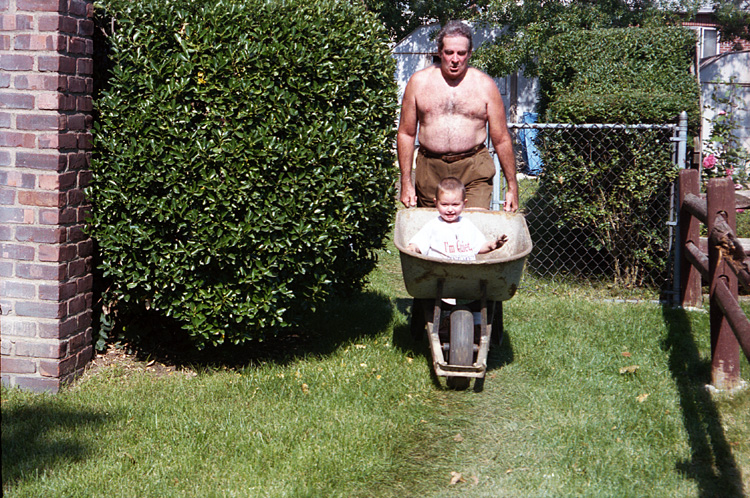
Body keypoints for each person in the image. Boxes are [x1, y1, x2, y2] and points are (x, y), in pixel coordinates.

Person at [397, 20, 518, 212]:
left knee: (475, 230)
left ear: (469, 54)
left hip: (474, 169)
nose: (455, 59)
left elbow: (502, 138)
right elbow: (406, 133)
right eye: (449, 52)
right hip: (430, 168)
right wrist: (405, 181)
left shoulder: (485, 86)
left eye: (461, 53)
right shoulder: (418, 83)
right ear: (439, 51)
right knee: (432, 233)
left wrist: (512, 186)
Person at [406, 177, 507, 260]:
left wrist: (492, 245)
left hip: (466, 274)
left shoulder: (467, 225)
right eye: (444, 204)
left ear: (464, 204)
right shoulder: (433, 226)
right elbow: (419, 243)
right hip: (439, 272)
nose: (450, 209)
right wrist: (412, 248)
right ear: (436, 203)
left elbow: (479, 247)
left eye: (455, 204)